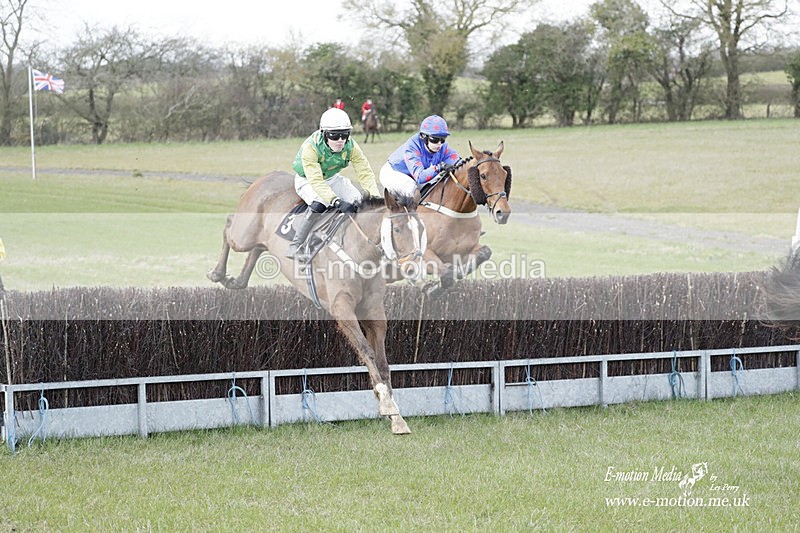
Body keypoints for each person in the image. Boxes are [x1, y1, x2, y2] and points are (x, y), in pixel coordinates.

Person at [286, 108, 381, 260]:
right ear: (324, 133)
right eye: (334, 135)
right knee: (321, 201)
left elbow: (364, 171)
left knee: (359, 202)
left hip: (332, 178)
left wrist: (375, 198)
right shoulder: (311, 147)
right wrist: (336, 201)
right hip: (307, 179)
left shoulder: (351, 146)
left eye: (345, 135)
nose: (340, 140)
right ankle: (296, 245)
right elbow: (316, 181)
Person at [380, 115, 461, 199]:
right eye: (435, 139)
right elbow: (420, 177)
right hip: (394, 173)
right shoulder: (412, 147)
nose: (439, 144)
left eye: (443, 139)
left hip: (414, 175)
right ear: (424, 137)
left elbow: (458, 161)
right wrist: (439, 167)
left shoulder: (442, 147)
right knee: (412, 191)